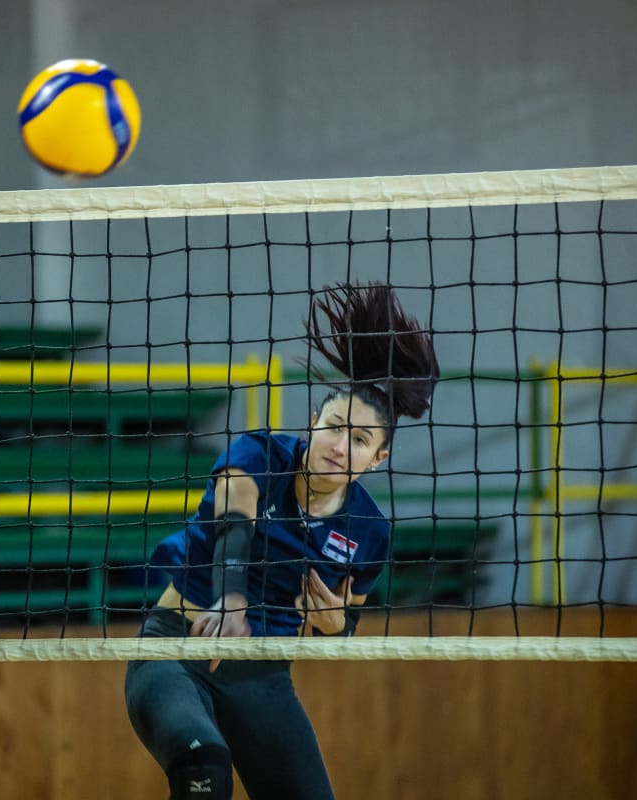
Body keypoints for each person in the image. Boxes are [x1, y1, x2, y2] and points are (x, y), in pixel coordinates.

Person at [124, 282, 440, 799]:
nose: (339, 446)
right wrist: (231, 598)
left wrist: (335, 627)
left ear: (377, 458)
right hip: (177, 650)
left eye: (360, 440)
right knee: (205, 772)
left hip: (262, 678)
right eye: (334, 427)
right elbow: (234, 521)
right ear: (313, 422)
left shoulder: (369, 531)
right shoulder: (258, 455)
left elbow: (343, 625)